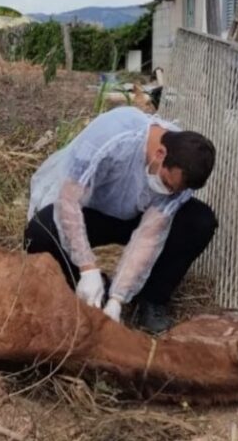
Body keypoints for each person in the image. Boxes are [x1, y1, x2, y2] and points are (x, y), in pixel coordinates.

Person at [23, 105, 217, 333]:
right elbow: (68, 202)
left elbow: (149, 236)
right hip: (92, 209)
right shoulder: (112, 137)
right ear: (160, 154)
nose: (169, 191)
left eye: (177, 190)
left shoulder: (182, 175)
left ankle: (152, 299)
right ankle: (85, 288)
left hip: (136, 215)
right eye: (167, 183)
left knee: (200, 222)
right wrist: (87, 268)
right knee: (40, 231)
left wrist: (118, 298)